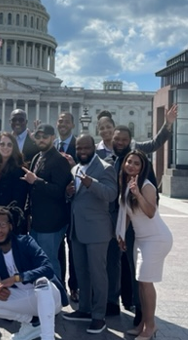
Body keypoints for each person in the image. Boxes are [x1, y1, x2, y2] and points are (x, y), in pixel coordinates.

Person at [106, 104, 178, 320]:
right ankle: (122, 301)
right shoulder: (112, 158)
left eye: (123, 140)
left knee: (135, 266)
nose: (120, 143)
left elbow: (156, 143)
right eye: (116, 139)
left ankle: (140, 310)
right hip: (123, 218)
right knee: (120, 262)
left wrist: (168, 124)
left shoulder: (135, 157)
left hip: (143, 219)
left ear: (130, 141)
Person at [0, 205, 68, 340]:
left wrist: (16, 278)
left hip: (49, 297)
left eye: (2, 225)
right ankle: (32, 322)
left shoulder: (25, 242)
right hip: (24, 297)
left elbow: (48, 268)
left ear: (11, 226)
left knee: (41, 282)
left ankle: (47, 337)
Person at [62, 134, 117, 335]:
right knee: (81, 272)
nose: (82, 152)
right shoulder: (75, 168)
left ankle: (98, 316)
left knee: (98, 275)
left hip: (97, 231)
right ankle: (84, 309)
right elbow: (76, 199)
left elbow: (111, 194)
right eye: (79, 149)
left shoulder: (105, 167)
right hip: (77, 229)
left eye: (86, 148)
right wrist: (69, 193)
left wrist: (91, 183)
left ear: (93, 147)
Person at [116, 151, 173, 340]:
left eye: (136, 164)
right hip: (140, 240)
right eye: (128, 162)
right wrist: (122, 235)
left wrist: (138, 194)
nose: (131, 166)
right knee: (141, 282)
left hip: (156, 239)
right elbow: (127, 214)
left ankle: (151, 327)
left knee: (146, 282)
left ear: (143, 167)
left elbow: (150, 212)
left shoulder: (147, 186)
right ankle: (143, 323)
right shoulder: (126, 185)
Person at [21, 124, 72, 281]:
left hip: (52, 222)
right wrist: (28, 213)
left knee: (49, 260)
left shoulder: (59, 160)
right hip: (38, 221)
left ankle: (56, 295)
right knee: (40, 261)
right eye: (38, 137)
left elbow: (59, 191)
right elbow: (32, 191)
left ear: (52, 138)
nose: (41, 140)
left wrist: (36, 181)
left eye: (45, 137)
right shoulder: (38, 157)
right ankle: (44, 295)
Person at [0, 132, 30, 236]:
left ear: (14, 147)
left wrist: (6, 222)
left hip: (7, 219)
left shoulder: (19, 169)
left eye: (9, 145)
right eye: (2, 144)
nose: (5, 147)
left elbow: (18, 201)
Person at [55, 111, 79, 303]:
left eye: (66, 122)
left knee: (73, 247)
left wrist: (74, 166)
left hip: (74, 205)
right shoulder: (53, 145)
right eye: (60, 121)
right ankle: (60, 284)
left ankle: (75, 286)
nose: (63, 124)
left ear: (72, 124)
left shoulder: (79, 146)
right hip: (56, 205)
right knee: (58, 248)